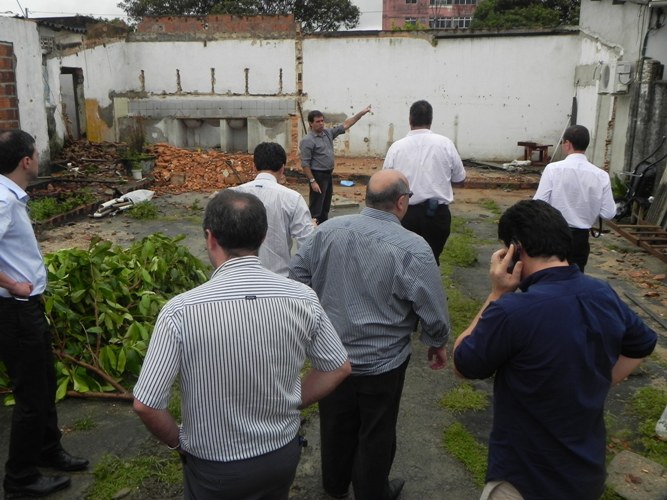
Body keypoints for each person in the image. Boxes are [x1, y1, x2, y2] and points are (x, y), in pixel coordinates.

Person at [133, 189, 351, 500]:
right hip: (280, 454)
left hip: (214, 466)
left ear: (210, 238)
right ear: (263, 236)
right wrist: (290, 401)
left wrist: (178, 442)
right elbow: (338, 367)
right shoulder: (302, 298)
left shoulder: (180, 311)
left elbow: (146, 404)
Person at [453, 199, 657, 500]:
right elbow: (642, 344)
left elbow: (462, 363)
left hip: (524, 477)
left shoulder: (514, 310)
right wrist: (598, 380)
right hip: (585, 470)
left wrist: (496, 293)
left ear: (515, 250)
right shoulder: (601, 292)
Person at [290, 170, 450, 500]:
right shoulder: (413, 248)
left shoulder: (328, 231)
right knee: (376, 430)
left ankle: (334, 486)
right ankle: (372, 492)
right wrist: (436, 342)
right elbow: (432, 306)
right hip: (384, 362)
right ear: (402, 202)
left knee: (335, 424)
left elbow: (296, 277)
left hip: (331, 360)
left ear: (366, 197)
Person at [0, 129, 89, 498]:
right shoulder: (3, 201)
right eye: (36, 153)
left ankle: (48, 450)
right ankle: (19, 477)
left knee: (45, 382)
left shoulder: (9, 196)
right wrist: (14, 284)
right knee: (32, 397)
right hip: (16, 310)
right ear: (26, 161)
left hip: (25, 309)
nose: (38, 158)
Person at [383, 100, 466, 265]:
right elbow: (460, 179)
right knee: (431, 262)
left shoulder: (397, 147)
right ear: (431, 119)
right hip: (437, 216)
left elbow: (386, 181)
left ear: (410, 120)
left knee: (404, 263)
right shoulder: (446, 144)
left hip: (404, 213)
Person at [533, 124, 616, 272]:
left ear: (567, 144)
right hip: (580, 239)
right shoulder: (601, 175)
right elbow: (608, 213)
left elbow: (538, 204)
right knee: (575, 280)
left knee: (550, 278)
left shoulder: (553, 169)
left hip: (554, 235)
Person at [231, 142, 314, 276]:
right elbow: (308, 245)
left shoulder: (231, 196)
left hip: (237, 280)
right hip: (280, 281)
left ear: (254, 166)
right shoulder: (293, 199)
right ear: (282, 169)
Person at [300, 105, 372, 225]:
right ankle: (312, 231)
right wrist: (312, 181)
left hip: (328, 175)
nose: (321, 124)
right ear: (311, 124)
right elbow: (305, 163)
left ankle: (323, 227)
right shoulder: (308, 140)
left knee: (325, 205)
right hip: (318, 175)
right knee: (316, 207)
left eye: (322, 121)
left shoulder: (327, 133)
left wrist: (362, 113)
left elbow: (346, 124)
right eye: (318, 121)